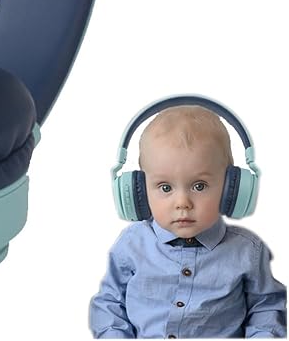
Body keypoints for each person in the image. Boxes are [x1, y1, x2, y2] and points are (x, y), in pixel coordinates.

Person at [89, 104, 286, 338]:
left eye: (199, 186)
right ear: (138, 190)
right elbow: (109, 304)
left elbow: (266, 308)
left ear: (231, 188)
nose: (182, 202)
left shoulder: (247, 251)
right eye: (165, 187)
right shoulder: (132, 244)